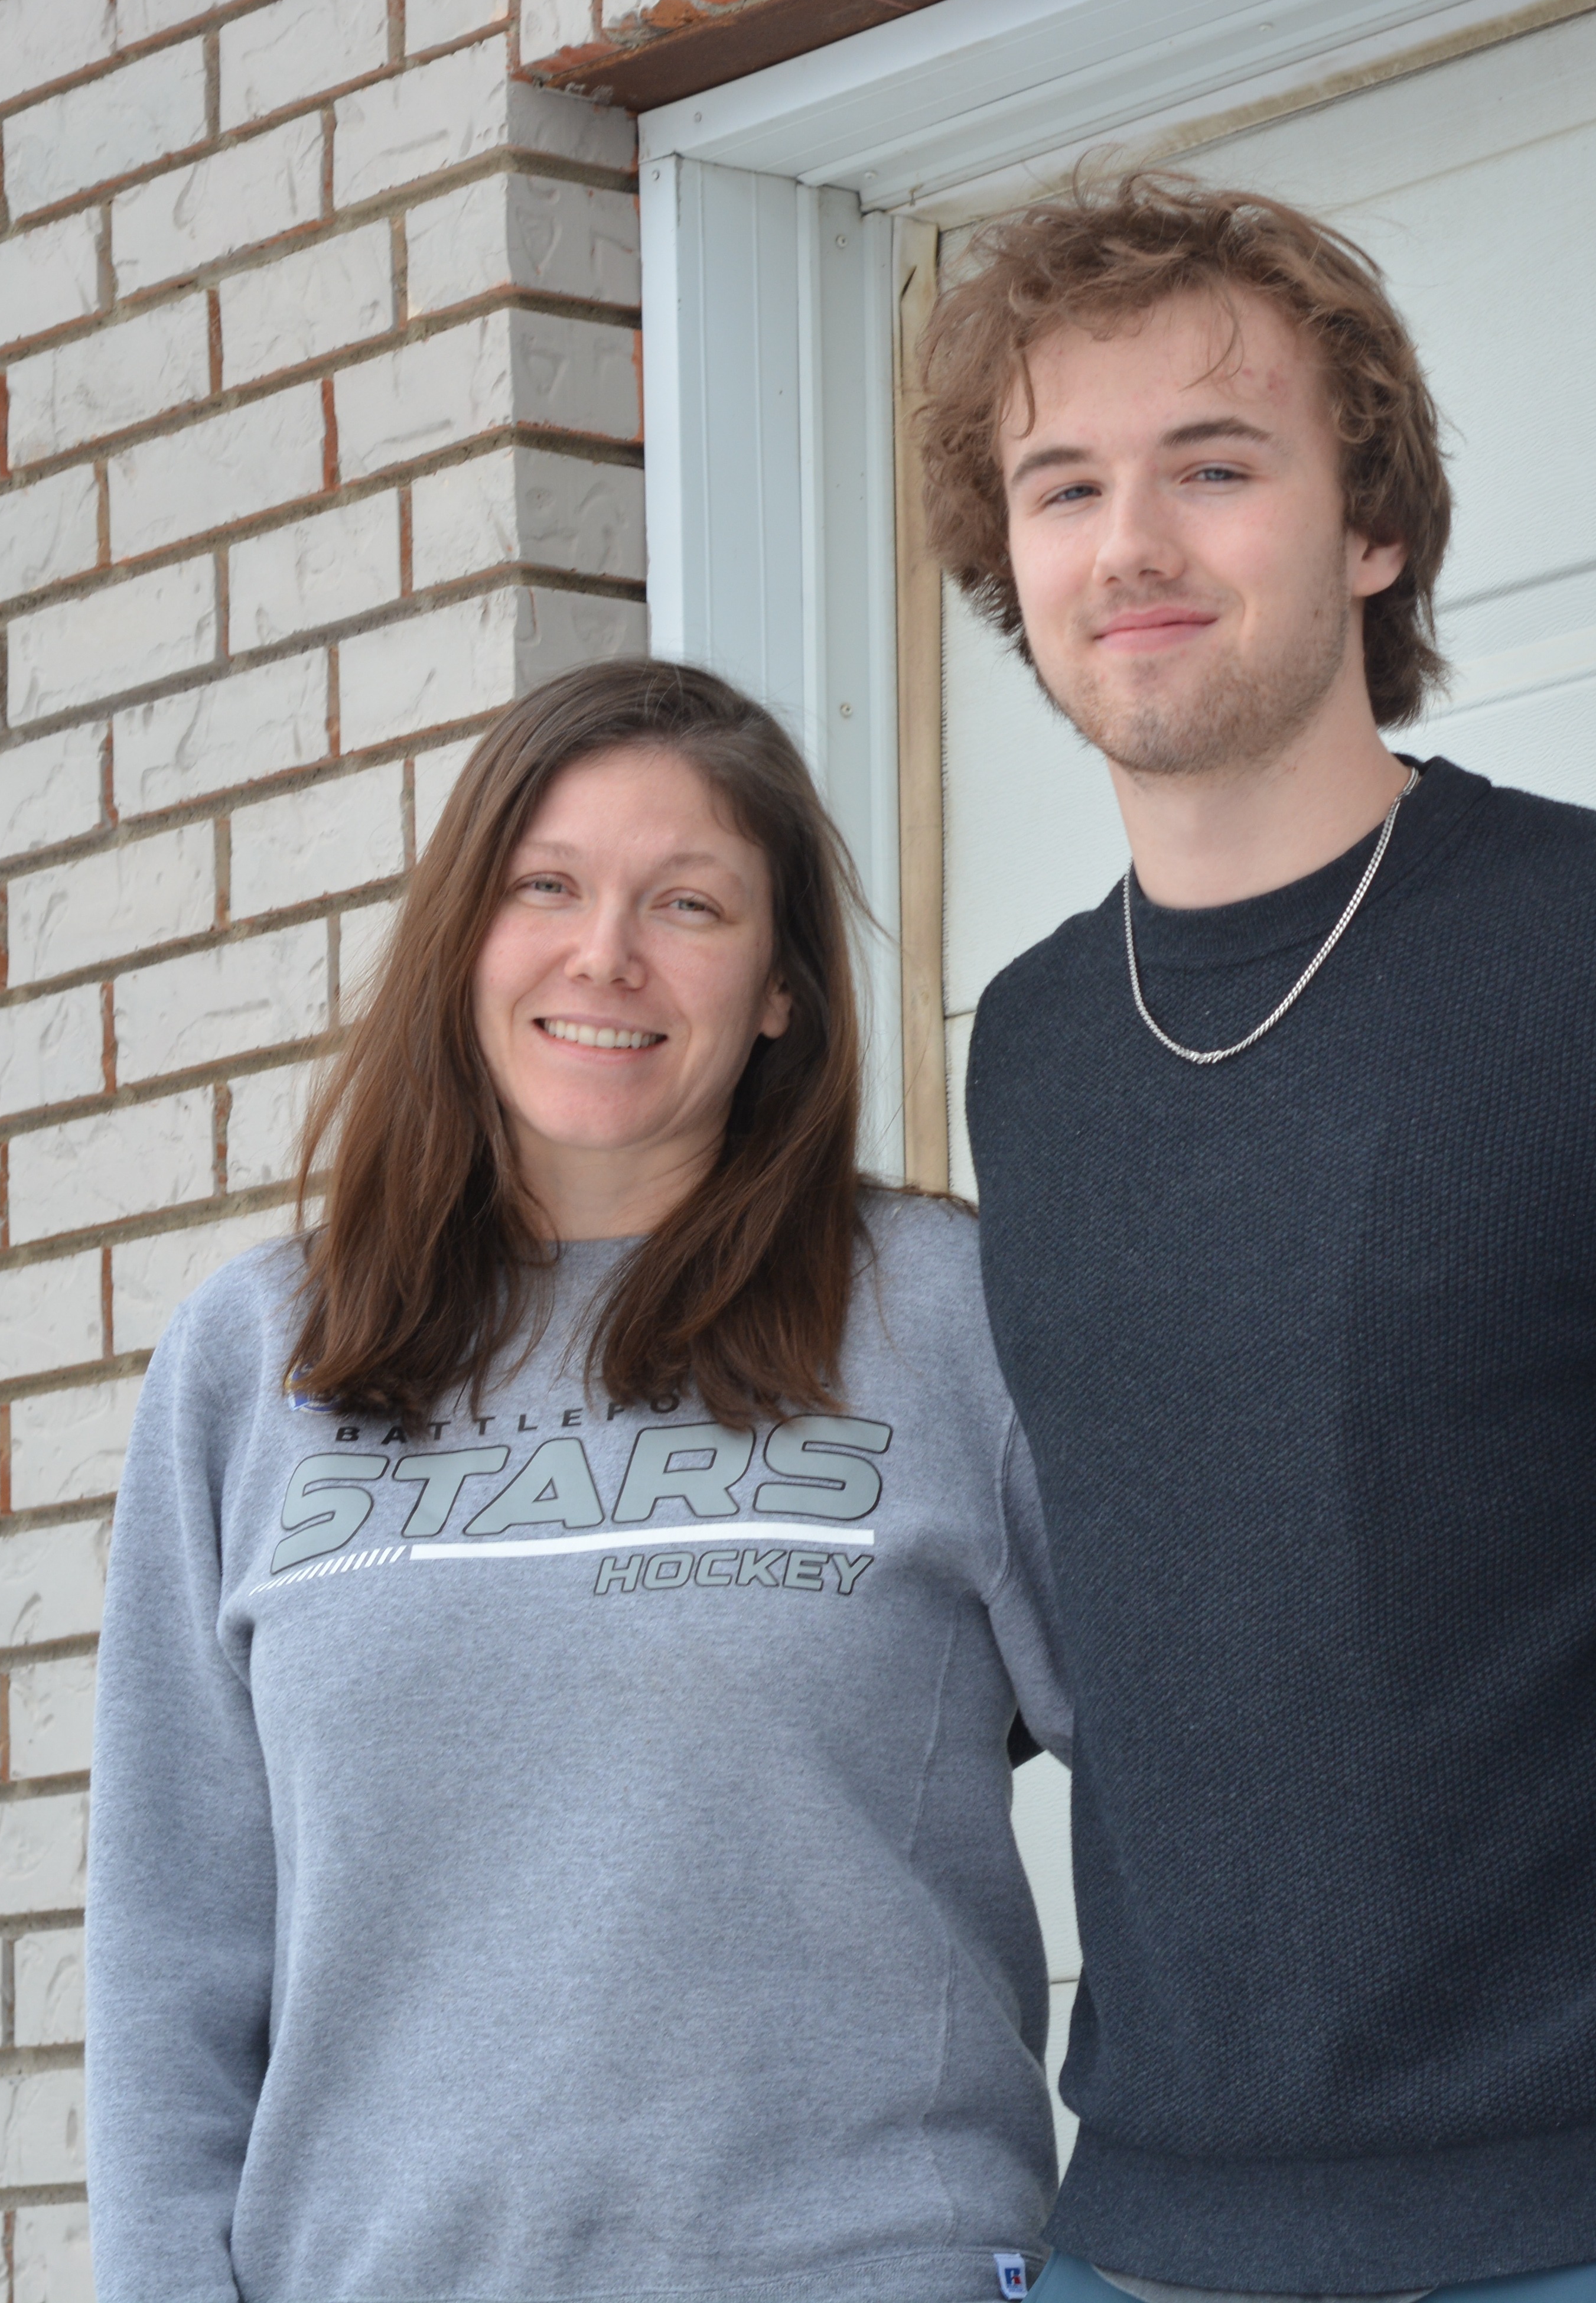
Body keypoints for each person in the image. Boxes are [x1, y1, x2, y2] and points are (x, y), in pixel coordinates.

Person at [918, 174, 1596, 2303]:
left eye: (1214, 467)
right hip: (1145, 2229)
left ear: (1374, 529)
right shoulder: (1037, 1048)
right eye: (1063, 487)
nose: (1131, 546)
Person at [86, 660, 1070, 2303]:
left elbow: (1200, 1809)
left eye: (689, 903)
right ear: (466, 936)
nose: (604, 954)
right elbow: (170, 1945)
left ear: (779, 990)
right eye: (546, 885)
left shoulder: (939, 1317)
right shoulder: (257, 1357)